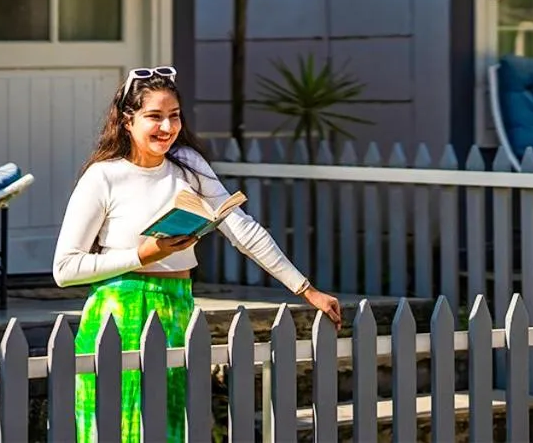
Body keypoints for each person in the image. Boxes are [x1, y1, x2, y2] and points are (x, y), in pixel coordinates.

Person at [52, 66, 342, 443]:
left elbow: (243, 230)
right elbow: (65, 268)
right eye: (154, 117)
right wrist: (143, 255)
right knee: (117, 432)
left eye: (174, 116)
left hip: (177, 308)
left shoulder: (188, 166)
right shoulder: (103, 177)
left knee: (171, 432)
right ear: (127, 120)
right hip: (118, 310)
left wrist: (305, 289)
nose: (166, 128)